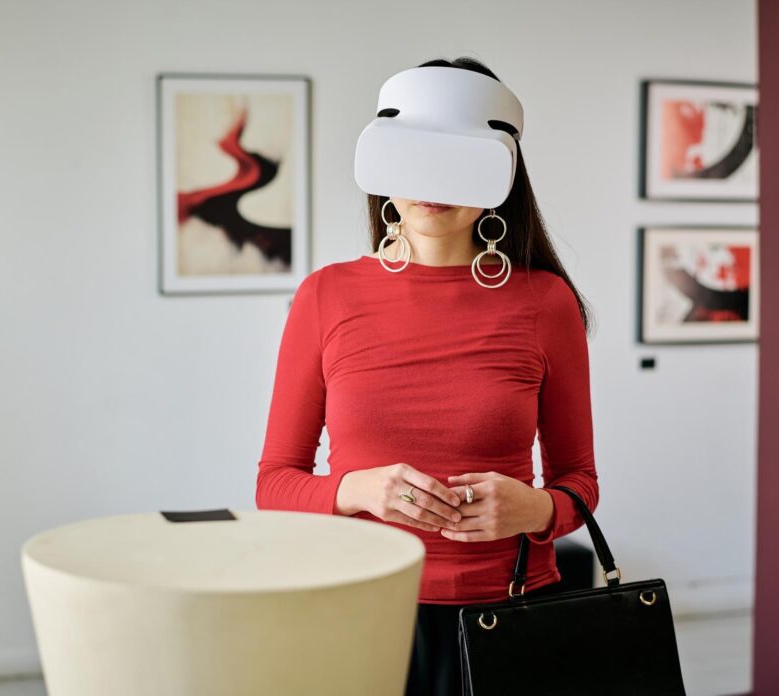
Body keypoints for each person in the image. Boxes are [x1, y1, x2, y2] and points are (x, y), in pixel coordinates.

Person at [255, 56, 599, 696]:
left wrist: (537, 508)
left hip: (509, 614)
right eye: (413, 154)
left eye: (457, 158)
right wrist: (357, 490)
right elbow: (275, 483)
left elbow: (580, 483)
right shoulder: (325, 296)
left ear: (499, 171)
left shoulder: (545, 303)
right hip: (361, 607)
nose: (430, 181)